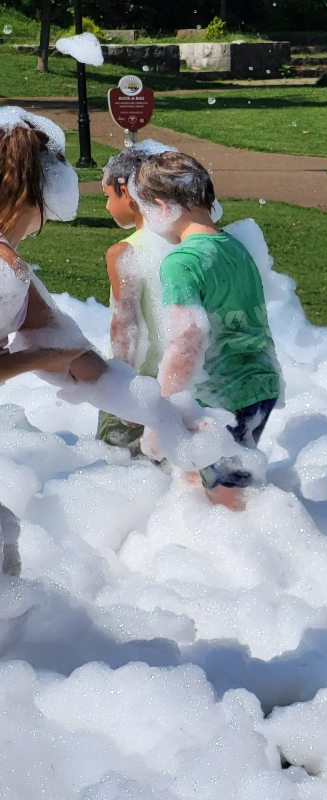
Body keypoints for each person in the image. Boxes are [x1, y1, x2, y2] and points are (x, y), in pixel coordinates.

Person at [133, 151, 281, 511]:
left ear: (160, 206)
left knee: (225, 504)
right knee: (217, 484)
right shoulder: (235, 245)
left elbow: (187, 342)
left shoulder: (182, 262)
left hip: (220, 400)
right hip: (260, 385)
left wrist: (160, 417)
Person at [0, 107, 109, 576]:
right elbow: (57, 352)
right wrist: (40, 359)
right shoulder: (5, 270)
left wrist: (162, 413)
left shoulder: (12, 268)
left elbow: (75, 354)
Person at [96, 141, 179, 457]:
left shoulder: (126, 252)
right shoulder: (191, 244)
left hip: (141, 386)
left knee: (120, 468)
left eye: (107, 196)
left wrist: (122, 394)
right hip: (186, 385)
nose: (107, 207)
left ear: (126, 192)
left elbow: (126, 328)